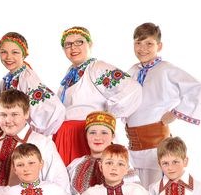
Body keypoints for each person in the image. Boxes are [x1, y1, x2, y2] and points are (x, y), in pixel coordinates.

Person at [126, 22, 201, 187]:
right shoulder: (132, 71)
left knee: (158, 192)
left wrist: (175, 113)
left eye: (149, 43)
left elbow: (199, 88)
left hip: (156, 144)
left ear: (159, 45)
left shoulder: (166, 69)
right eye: (138, 43)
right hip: (134, 146)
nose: (143, 48)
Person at [54, 26, 142, 166]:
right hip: (67, 136)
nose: (73, 48)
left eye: (79, 42)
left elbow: (132, 88)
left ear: (90, 44)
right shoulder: (70, 73)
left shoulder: (97, 68)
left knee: (93, 179)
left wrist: (109, 115)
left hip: (87, 135)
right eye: (68, 44)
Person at [0, 89, 69, 195]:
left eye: (14, 114)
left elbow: (59, 183)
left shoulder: (43, 143)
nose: (8, 120)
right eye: (3, 114)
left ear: (26, 113)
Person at [0, 31, 65, 136]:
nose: (8, 57)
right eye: (4, 52)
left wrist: (34, 135)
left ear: (23, 54)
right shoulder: (6, 79)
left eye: (15, 52)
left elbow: (54, 109)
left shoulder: (27, 79)